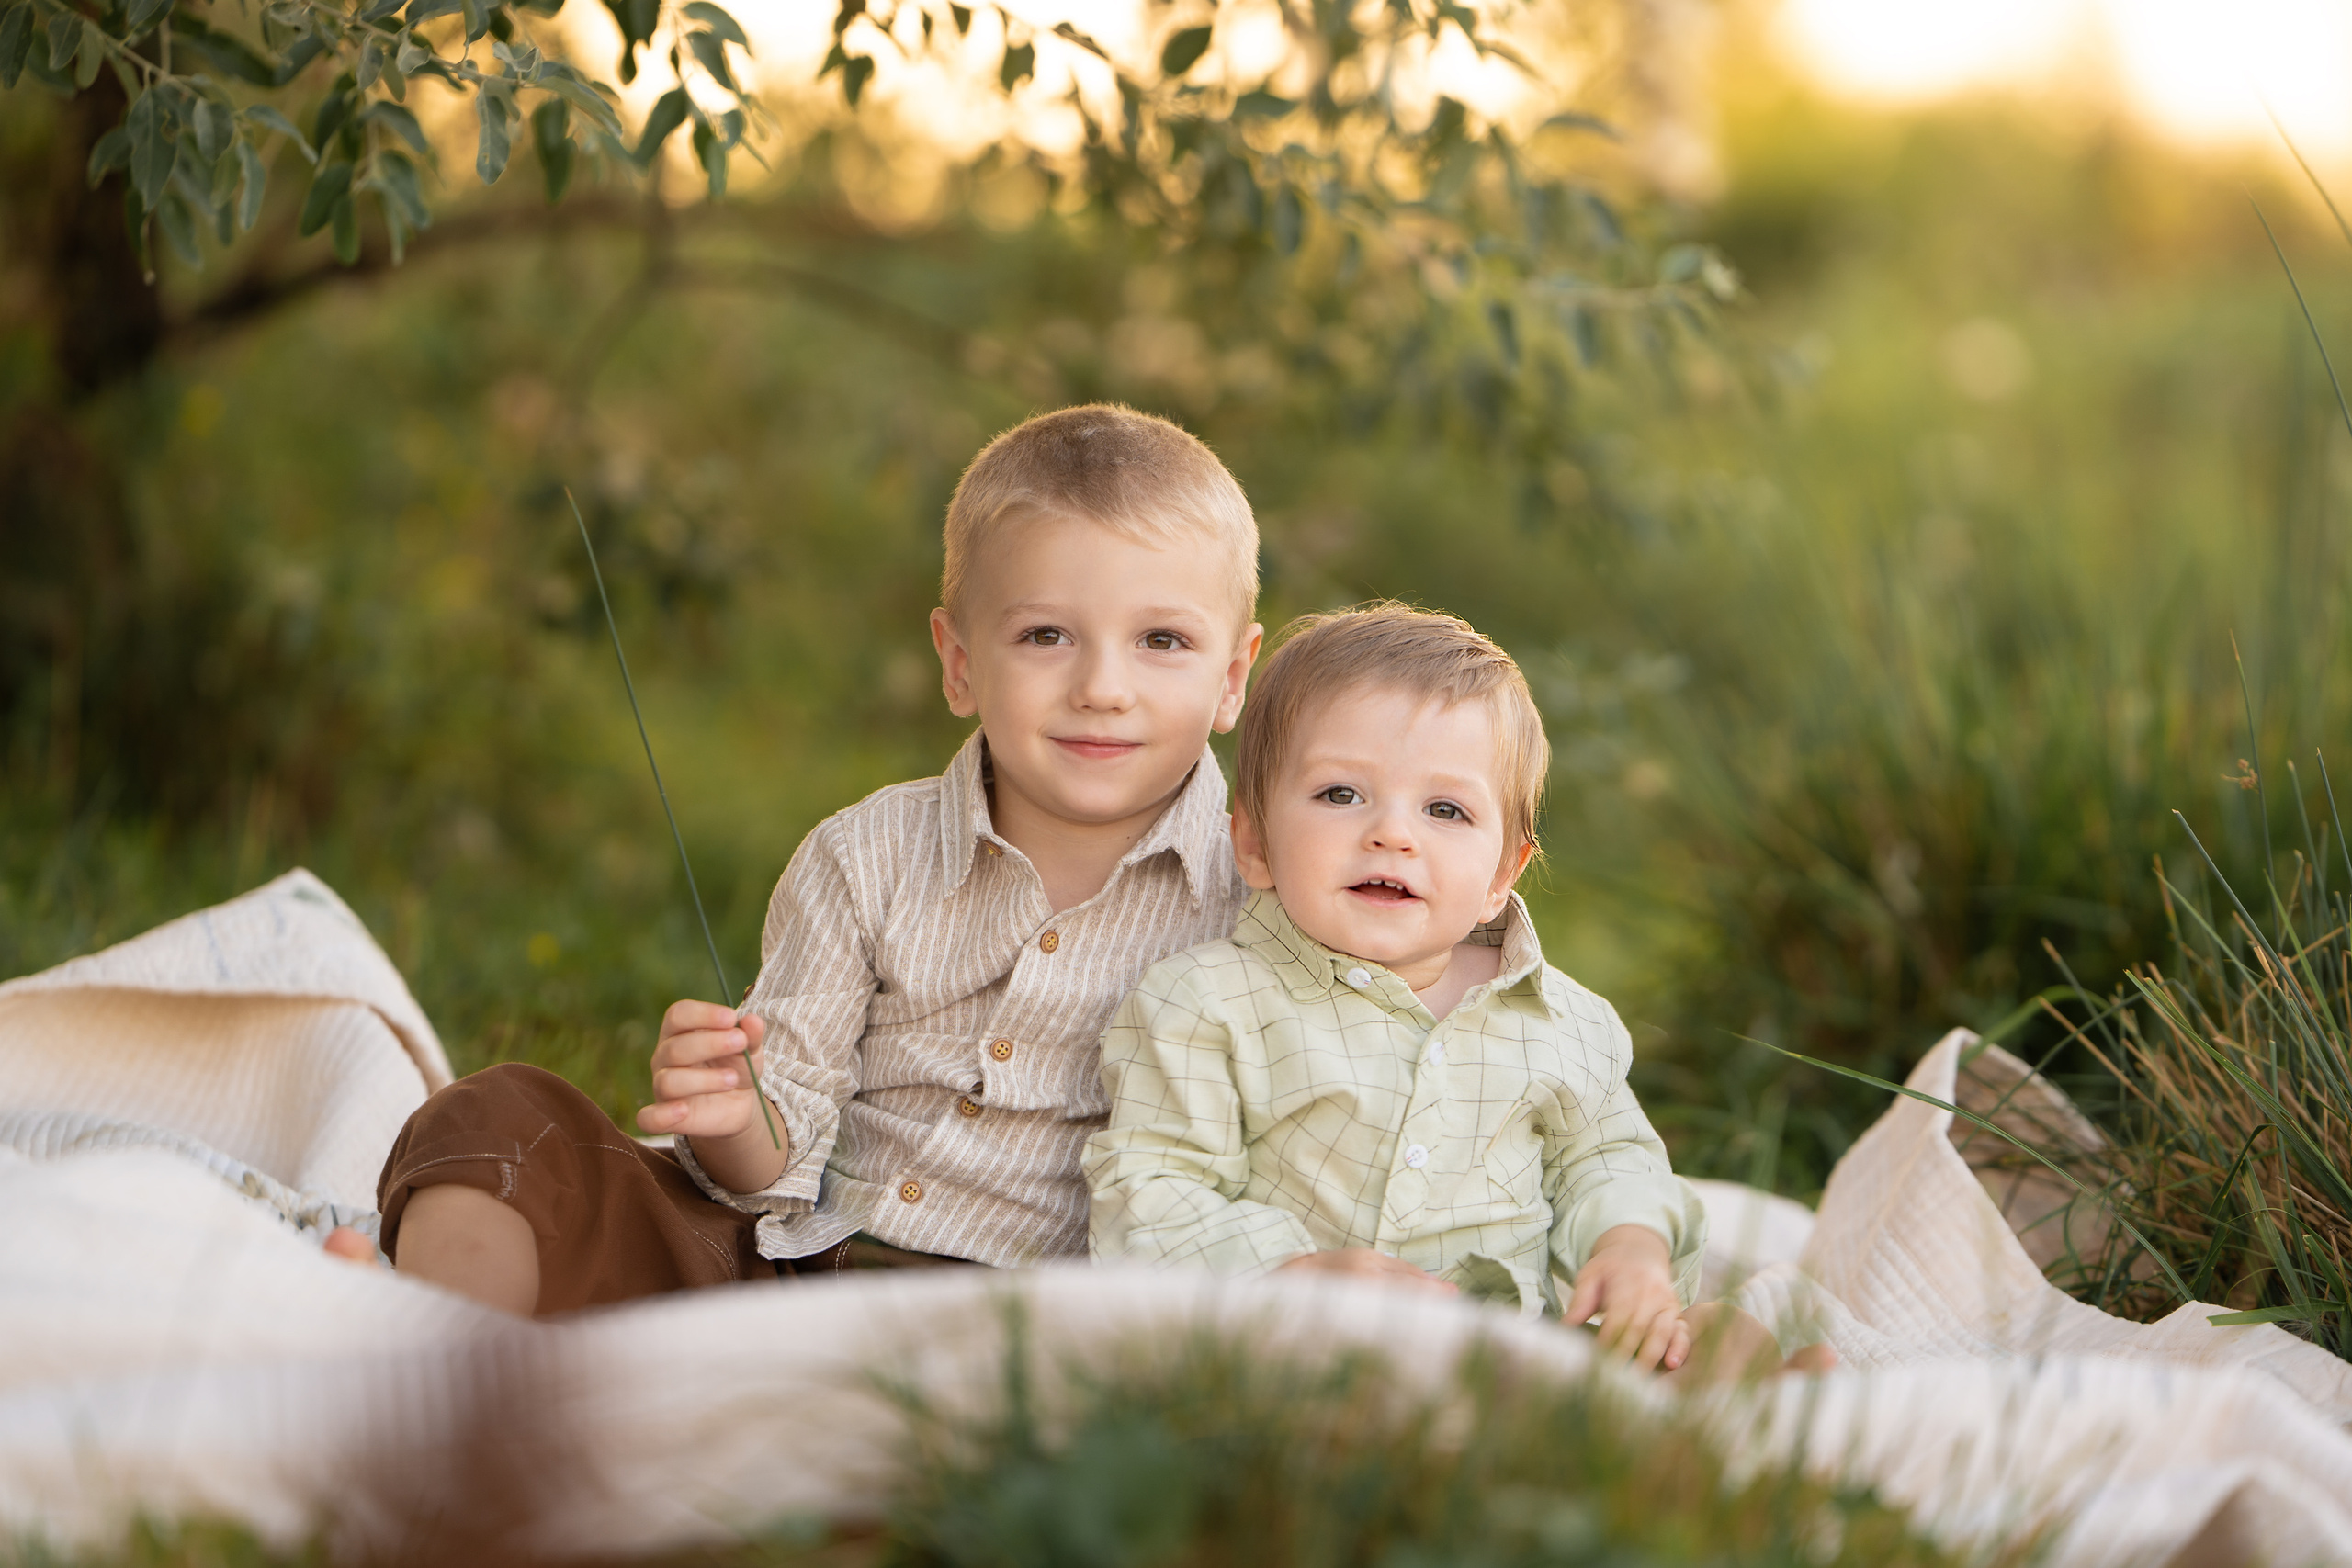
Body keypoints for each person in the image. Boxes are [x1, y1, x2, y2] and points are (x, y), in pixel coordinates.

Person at [347, 405, 1264, 1315]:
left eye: (1162, 641)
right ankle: (446, 1374)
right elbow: (774, 1157)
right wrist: (737, 1114)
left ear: (1232, 679)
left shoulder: (1264, 899)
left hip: (1048, 1324)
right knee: (495, 1119)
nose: (1102, 688)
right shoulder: (865, 855)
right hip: (791, 1274)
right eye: (1044, 636)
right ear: (957, 663)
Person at [1084, 604, 1828, 1378]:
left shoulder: (1567, 1023)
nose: (1392, 834)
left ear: (1502, 875)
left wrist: (1630, 1247)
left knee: (1670, 1340)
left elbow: (1608, 1161)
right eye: (1341, 794)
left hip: (1517, 1357)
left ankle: (1715, 1386)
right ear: (1254, 840)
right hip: (1304, 1354)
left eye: (1446, 810)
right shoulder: (1205, 1004)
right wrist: (1291, 1273)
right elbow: (1147, 1189)